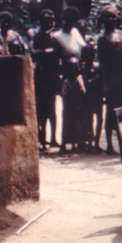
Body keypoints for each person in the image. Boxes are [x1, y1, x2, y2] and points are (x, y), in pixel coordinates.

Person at [96, 5, 122, 155]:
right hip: (112, 79)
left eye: (113, 16)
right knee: (111, 113)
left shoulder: (121, 33)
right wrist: (105, 84)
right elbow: (103, 63)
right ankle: (110, 147)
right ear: (103, 19)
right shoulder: (102, 38)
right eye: (108, 17)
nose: (111, 19)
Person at [30, 9, 61, 150]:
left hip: (51, 77)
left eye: (51, 20)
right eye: (46, 20)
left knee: (52, 109)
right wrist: (47, 53)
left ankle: (54, 139)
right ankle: (42, 140)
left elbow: (57, 55)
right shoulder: (34, 34)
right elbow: (33, 52)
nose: (49, 23)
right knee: (41, 110)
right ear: (41, 20)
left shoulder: (54, 37)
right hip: (39, 78)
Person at [59, 56, 89, 153]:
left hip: (77, 107)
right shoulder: (66, 82)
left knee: (77, 126)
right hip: (69, 108)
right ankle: (64, 145)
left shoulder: (79, 80)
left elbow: (83, 92)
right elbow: (65, 95)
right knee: (67, 126)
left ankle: (76, 145)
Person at [81, 45, 104, 152]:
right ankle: (89, 143)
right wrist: (99, 76)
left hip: (98, 96)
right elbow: (87, 83)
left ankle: (97, 144)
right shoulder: (83, 67)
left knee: (100, 119)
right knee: (89, 120)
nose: (90, 56)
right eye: (87, 54)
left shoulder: (97, 66)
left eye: (92, 54)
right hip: (88, 98)